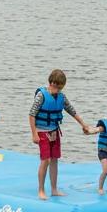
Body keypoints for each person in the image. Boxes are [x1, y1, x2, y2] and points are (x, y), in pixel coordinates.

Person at [28, 68, 90, 200]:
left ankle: (54, 189)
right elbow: (32, 114)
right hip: (42, 131)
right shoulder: (41, 96)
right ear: (50, 83)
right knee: (46, 160)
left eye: (60, 88)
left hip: (54, 131)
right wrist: (34, 134)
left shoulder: (61, 97)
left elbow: (71, 110)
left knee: (54, 160)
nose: (57, 90)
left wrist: (83, 124)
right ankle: (41, 190)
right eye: (55, 86)